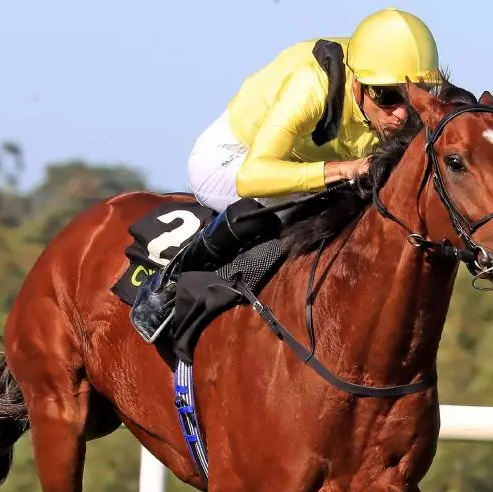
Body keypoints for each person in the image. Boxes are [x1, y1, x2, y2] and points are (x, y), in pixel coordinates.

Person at [130, 7, 443, 342]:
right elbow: (250, 179)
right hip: (233, 158)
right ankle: (165, 287)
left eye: (412, 97)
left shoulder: (393, 86)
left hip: (301, 164)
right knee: (300, 209)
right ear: (357, 84)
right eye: (386, 96)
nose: (401, 114)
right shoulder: (311, 86)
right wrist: (346, 169)